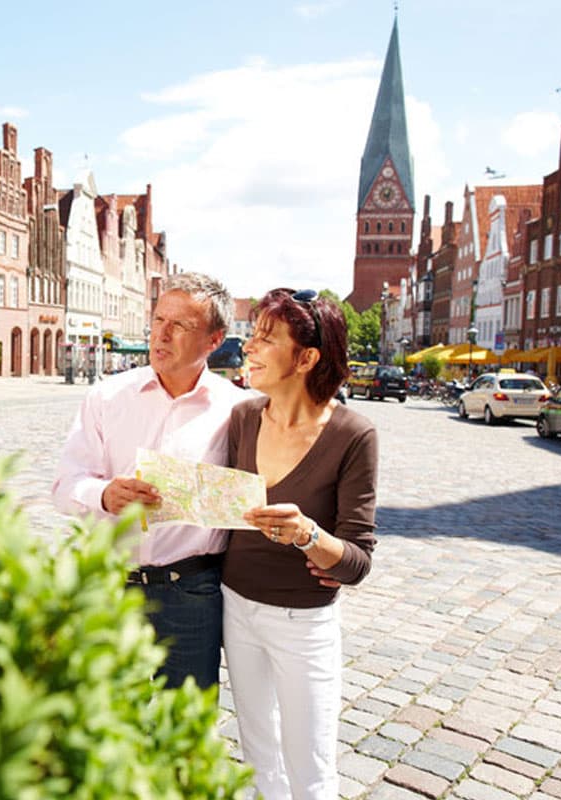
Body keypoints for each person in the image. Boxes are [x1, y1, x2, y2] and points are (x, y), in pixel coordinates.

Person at [52, 272, 245, 691]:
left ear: (215, 340)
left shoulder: (239, 410)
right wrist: (103, 494)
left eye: (181, 326)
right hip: (110, 587)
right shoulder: (106, 397)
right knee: (104, 723)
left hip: (192, 594)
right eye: (159, 320)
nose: (163, 335)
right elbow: (64, 486)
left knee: (185, 730)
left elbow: (254, 497)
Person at [222, 288, 378, 800]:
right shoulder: (243, 418)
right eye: (253, 335)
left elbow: (356, 562)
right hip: (236, 606)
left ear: (307, 358)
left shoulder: (354, 434)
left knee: (310, 767)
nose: (249, 347)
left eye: (266, 339)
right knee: (257, 755)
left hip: (304, 621)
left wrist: (309, 534)